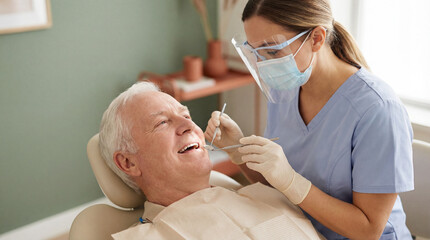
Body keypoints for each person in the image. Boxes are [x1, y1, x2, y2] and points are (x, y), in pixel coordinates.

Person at [205, 0, 414, 239]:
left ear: (316, 38)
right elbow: (276, 184)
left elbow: (368, 229)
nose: (265, 64)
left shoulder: (378, 109)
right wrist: (239, 151)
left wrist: (293, 181)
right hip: (301, 230)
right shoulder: (285, 89)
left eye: (272, 51)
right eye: (256, 53)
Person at [98, 81, 323, 239]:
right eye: (162, 123)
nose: (190, 126)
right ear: (129, 163)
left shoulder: (265, 195)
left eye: (186, 116)